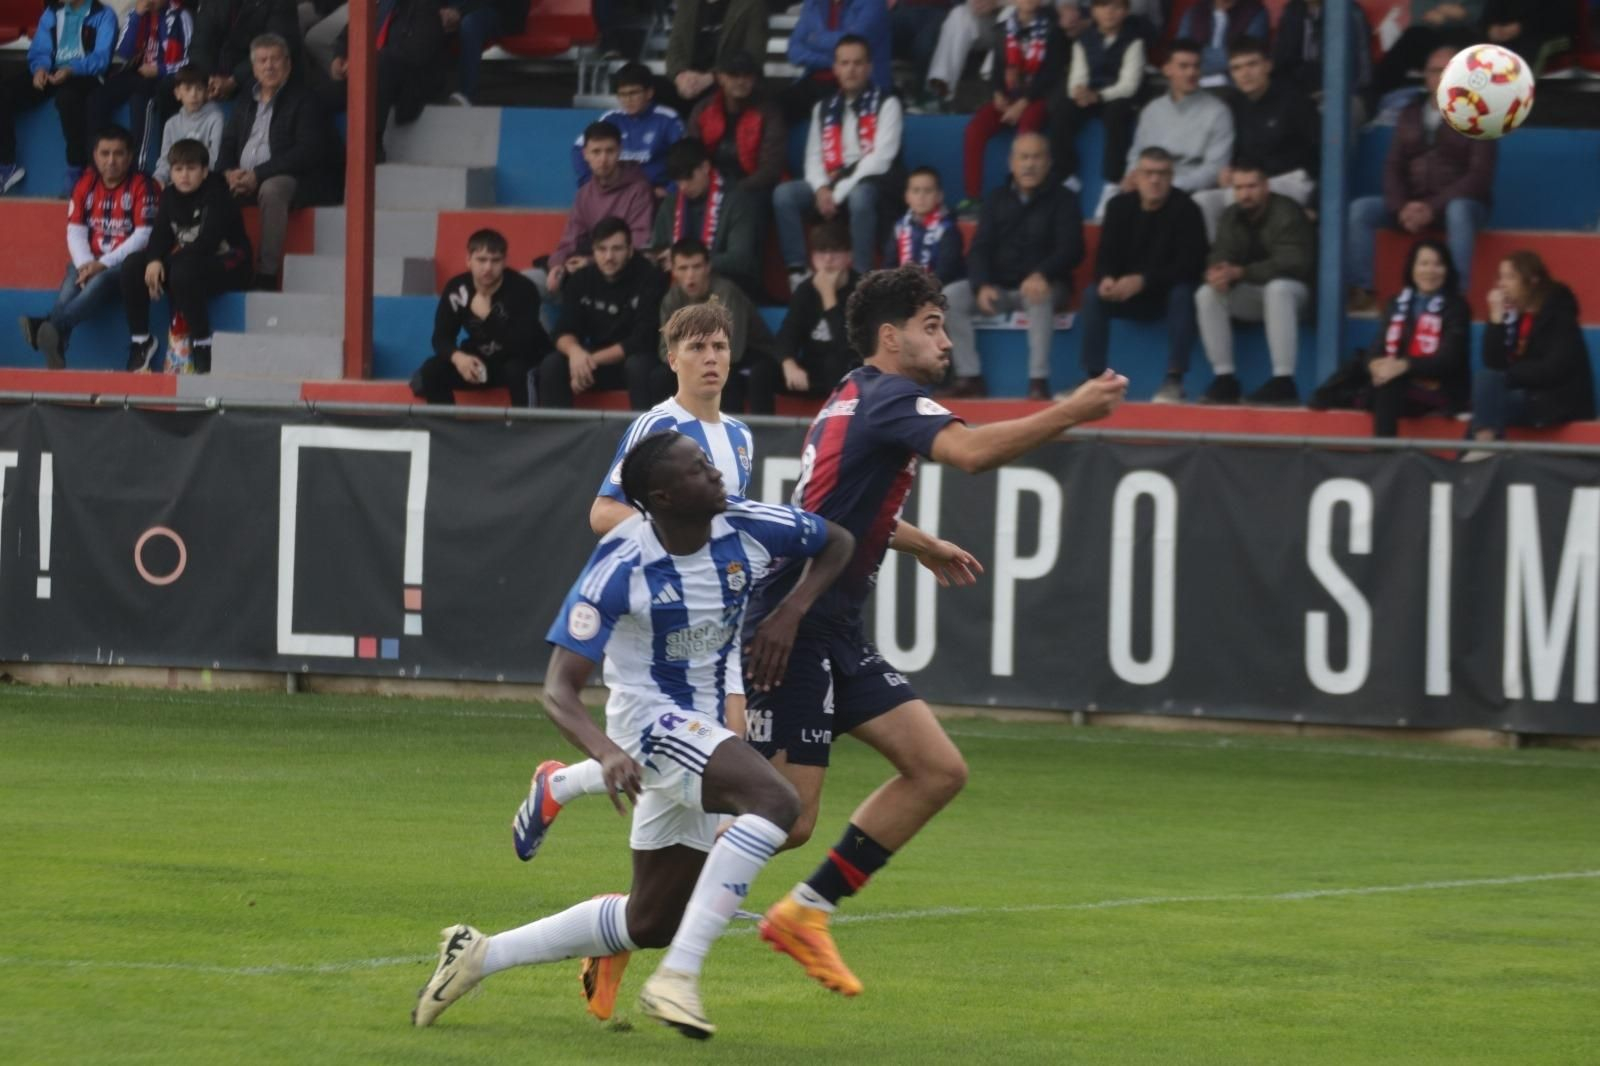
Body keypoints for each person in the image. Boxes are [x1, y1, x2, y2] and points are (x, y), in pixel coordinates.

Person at [747, 266, 1127, 997]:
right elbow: (973, 454)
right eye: (932, 326)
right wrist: (1072, 409)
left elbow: (835, 509)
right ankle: (632, 915)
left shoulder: (854, 391)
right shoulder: (892, 396)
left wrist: (919, 542)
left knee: (937, 770)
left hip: (831, 627)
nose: (947, 341)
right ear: (891, 338)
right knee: (786, 819)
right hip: (792, 626)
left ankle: (805, 912)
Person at [413, 424, 857, 1040]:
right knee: (778, 802)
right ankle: (678, 978)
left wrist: (791, 611)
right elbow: (559, 689)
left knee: (650, 921)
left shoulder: (749, 523)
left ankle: (480, 953)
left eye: (708, 462)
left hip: (703, 728)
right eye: (697, 468)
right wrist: (605, 751)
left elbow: (837, 540)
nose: (715, 472)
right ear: (663, 498)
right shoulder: (622, 562)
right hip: (650, 723)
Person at [1346, 47, 1495, 309]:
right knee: (1360, 210)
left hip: (1460, 206)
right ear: (1426, 77)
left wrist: (1431, 207)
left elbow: (1479, 176)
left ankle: (1453, 299)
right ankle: (1364, 293)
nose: (1442, 77)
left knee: (1459, 210)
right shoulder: (1410, 114)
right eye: (1435, 71)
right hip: (1412, 203)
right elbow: (1393, 165)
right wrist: (1401, 206)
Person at [943, 132, 1083, 399]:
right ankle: (969, 377)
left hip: (1048, 285)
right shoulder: (996, 199)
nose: (1029, 164)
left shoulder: (1064, 199)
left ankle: (1038, 381)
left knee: (1038, 294)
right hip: (999, 288)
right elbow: (979, 248)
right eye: (1023, 157)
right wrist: (981, 284)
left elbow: (1072, 249)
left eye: (1036, 157)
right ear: (1011, 163)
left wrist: (1042, 273)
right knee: (950, 296)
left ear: (1048, 162)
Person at [17, 126, 157, 369]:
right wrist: (85, 264)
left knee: (99, 280)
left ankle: (49, 326)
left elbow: (144, 235)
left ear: (129, 157)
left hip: (127, 264)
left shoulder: (143, 184)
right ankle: (57, 340)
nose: (111, 161)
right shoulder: (85, 183)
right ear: (95, 155)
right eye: (105, 153)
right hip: (90, 260)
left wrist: (102, 264)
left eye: (118, 154)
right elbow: (75, 230)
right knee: (70, 284)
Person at [774, 35, 904, 285]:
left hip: (873, 183)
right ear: (835, 68)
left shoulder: (888, 103)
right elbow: (813, 157)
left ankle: (861, 277)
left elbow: (880, 160)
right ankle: (798, 273)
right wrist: (821, 188)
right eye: (845, 63)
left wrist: (838, 192)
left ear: (869, 67)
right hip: (831, 183)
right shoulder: (823, 107)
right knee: (784, 194)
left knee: (861, 195)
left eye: (857, 63)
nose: (851, 70)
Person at [1079, 147, 1205, 402]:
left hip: (1166, 295)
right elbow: (1105, 256)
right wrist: (1107, 278)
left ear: (1171, 177)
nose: (1155, 180)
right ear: (1136, 176)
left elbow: (1191, 265)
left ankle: (1174, 380)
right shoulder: (1118, 206)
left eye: (1162, 173)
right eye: (1148, 173)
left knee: (1183, 294)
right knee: (1093, 295)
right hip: (1127, 295)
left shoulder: (1187, 209)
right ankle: (1094, 380)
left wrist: (1144, 280)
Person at [1311, 240, 1470, 437]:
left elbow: (1448, 360)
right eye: (1423, 263)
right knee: (1360, 363)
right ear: (1412, 268)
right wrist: (1375, 366)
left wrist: (1403, 366)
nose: (1430, 270)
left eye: (1438, 264)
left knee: (1386, 386)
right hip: (1397, 381)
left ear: (1447, 270)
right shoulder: (1396, 303)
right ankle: (1348, 399)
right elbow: (1377, 347)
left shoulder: (1457, 307)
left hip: (1437, 388)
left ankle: (1383, 450)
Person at [215, 33, 336, 291]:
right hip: (245, 176)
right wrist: (228, 173)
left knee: (272, 190)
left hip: (294, 179)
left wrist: (258, 174)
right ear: (254, 68)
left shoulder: (305, 99)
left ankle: (266, 274)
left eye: (275, 59)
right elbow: (227, 142)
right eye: (262, 61)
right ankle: (226, 269)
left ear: (288, 64)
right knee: (207, 187)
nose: (269, 66)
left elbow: (307, 151)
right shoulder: (245, 100)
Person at [120, 138, 252, 373]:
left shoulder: (217, 194)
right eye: (178, 169)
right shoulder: (169, 195)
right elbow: (160, 235)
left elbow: (208, 242)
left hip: (229, 264)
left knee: (181, 270)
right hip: (187, 264)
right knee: (133, 264)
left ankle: (202, 343)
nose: (184, 175)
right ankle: (141, 342)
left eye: (191, 169)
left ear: (204, 171)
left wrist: (164, 265)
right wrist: (153, 260)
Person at [1195, 161, 1316, 405]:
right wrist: (1218, 272)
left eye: (1251, 187)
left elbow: (1294, 262)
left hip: (1297, 296)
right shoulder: (1232, 214)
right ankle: (1225, 378)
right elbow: (1221, 252)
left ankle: (1284, 381)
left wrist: (1242, 272)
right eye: (1239, 188)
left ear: (1266, 186)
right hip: (1255, 294)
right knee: (1206, 294)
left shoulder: (1286, 211)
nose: (1245, 194)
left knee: (1277, 289)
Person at [1192, 38, 1319, 240]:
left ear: (1267, 65)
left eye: (1252, 64)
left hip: (1292, 179)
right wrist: (1229, 171)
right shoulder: (1233, 105)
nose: (1245, 73)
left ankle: (1238, 256)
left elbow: (1322, 155)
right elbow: (1235, 153)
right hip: (1250, 181)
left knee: (1237, 197)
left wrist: (1316, 205)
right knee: (1201, 201)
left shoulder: (1295, 101)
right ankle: (1218, 257)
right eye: (1237, 68)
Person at [1466, 252, 1594, 447]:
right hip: (1526, 394)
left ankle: (1480, 451)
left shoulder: (1558, 314)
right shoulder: (1514, 316)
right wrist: (1496, 319)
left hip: (1557, 401)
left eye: (1510, 277)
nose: (1502, 284)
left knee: (1487, 399)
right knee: (1486, 392)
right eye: (1500, 277)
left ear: (1533, 280)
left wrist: (1509, 376)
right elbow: (1494, 364)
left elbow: (1554, 368)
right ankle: (1479, 451)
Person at [411, 228, 551, 407]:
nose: (488, 268)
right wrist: (459, 358)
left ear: (505, 261)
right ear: (468, 260)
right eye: (481, 260)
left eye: (495, 260)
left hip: (523, 358)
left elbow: (523, 343)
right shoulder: (457, 288)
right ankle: (444, 425)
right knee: (432, 370)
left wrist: (488, 316)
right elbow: (441, 337)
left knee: (517, 369)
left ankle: (525, 424)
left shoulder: (522, 288)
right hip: (482, 360)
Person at [539, 217, 667, 410]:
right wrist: (575, 353)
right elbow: (563, 329)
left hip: (632, 360)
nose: (609, 257)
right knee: (552, 364)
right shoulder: (581, 278)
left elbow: (643, 338)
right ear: (593, 251)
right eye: (602, 249)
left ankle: (646, 428)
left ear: (630, 250)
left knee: (638, 365)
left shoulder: (650, 277)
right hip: (594, 361)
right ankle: (556, 429)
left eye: (617, 249)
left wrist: (588, 361)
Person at [0, 0, 119, 195]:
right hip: (53, 71)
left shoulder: (104, 15)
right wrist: (39, 69)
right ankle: (7, 165)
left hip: (85, 74)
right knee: (4, 93)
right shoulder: (52, 13)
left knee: (67, 99)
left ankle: (76, 168)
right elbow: (40, 50)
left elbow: (101, 58)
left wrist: (72, 69)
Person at [652, 238, 777, 413]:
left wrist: (691, 361)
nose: (690, 275)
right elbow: (665, 349)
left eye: (696, 267)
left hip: (751, 355)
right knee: (660, 377)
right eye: (683, 268)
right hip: (698, 359)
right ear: (673, 270)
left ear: (708, 267)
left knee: (723, 379)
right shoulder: (671, 299)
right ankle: (663, 427)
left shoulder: (726, 293)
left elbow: (732, 351)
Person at [959, 0, 1064, 207]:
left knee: (1026, 130)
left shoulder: (1053, 31)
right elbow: (998, 69)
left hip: (1038, 98)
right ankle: (972, 196)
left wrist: (1023, 103)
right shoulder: (1003, 29)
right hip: (1009, 98)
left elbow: (1050, 76)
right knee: (974, 130)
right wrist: (997, 93)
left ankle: (1021, 192)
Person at [748, 221, 860, 413]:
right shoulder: (806, 290)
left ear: (849, 256)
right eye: (821, 252)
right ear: (813, 258)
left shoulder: (860, 290)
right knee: (761, 372)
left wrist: (828, 297)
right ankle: (762, 432)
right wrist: (789, 363)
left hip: (847, 369)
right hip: (811, 371)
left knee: (839, 365)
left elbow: (847, 346)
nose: (828, 259)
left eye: (835, 252)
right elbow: (786, 336)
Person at [541, 121, 656, 299]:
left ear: (619, 151)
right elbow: (570, 240)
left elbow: (638, 244)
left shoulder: (639, 190)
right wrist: (557, 265)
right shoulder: (584, 193)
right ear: (585, 154)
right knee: (532, 282)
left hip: (623, 273)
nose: (603, 159)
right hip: (584, 270)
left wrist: (591, 262)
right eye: (596, 152)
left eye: (609, 151)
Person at [1047, 0, 1144, 200]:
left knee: (1118, 115)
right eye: (1103, 6)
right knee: (1061, 110)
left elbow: (1128, 85)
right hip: (1090, 95)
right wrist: (1079, 92)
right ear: (1093, 11)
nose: (1110, 12)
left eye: (1117, 7)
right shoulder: (1083, 41)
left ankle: (1112, 182)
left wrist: (1099, 96)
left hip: (1117, 97)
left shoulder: (1134, 42)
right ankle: (1065, 174)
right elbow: (1077, 77)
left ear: (1126, 12)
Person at [651, 139, 763, 299]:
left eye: (689, 177)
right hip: (678, 289)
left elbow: (740, 259)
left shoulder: (737, 201)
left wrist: (691, 264)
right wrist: (663, 257)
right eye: (678, 181)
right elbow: (657, 248)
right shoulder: (671, 203)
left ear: (705, 167)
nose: (683, 186)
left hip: (726, 288)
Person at [95, 0, 194, 177]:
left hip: (166, 75)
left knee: (141, 97)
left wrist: (160, 69)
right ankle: (95, 166)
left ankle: (136, 168)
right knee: (98, 97)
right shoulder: (136, 13)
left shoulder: (181, 15)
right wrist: (136, 16)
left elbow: (190, 60)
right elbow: (123, 52)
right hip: (139, 72)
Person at [329, 0, 449, 146]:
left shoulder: (426, 6)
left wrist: (364, 61)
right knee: (317, 97)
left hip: (407, 86)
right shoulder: (380, 4)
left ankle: (373, 144)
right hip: (367, 76)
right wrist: (339, 57)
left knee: (384, 64)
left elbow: (415, 53)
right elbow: (348, 33)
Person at [571, 63, 683, 194]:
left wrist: (670, 190)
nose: (628, 100)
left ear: (649, 93)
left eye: (633, 93)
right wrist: (589, 183)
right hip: (617, 193)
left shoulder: (668, 119)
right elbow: (579, 148)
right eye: (622, 95)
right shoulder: (611, 118)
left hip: (654, 194)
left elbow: (683, 157)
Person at [686, 51, 786, 198]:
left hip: (755, 189)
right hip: (711, 188)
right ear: (720, 78)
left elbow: (771, 168)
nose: (741, 81)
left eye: (747, 75)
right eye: (734, 75)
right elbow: (692, 157)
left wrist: (733, 191)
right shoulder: (703, 109)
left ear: (754, 79)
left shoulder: (769, 111)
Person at [785, 0, 893, 122]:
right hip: (815, 81)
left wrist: (814, 39)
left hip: (856, 83)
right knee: (777, 108)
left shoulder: (872, 3)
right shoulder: (813, 3)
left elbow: (854, 44)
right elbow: (794, 51)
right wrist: (832, 61)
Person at [664, 0, 769, 112]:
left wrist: (712, 77)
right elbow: (675, 48)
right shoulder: (687, 3)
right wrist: (680, 76)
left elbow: (754, 55)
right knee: (660, 94)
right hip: (690, 81)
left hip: (730, 79)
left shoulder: (752, 4)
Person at [190, 0, 301, 101]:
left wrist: (234, 80)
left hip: (258, 85)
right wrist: (208, 79)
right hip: (215, 85)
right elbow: (200, 43)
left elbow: (277, 48)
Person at [1272, 0, 1373, 104]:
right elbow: (1281, 60)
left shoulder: (1349, 12)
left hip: (1341, 94)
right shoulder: (1292, 11)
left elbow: (1362, 74)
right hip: (1299, 91)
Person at [1374, 2, 1481, 99]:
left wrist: (1459, 16)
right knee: (1415, 34)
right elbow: (1423, 15)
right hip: (1425, 37)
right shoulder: (1416, 35)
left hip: (1466, 38)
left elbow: (1480, 15)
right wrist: (1450, 15)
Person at [883, 165, 965, 285]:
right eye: (916, 191)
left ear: (939, 196)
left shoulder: (947, 228)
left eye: (928, 191)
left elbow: (946, 271)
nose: (921, 197)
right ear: (907, 197)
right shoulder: (899, 227)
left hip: (940, 289)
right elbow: (890, 265)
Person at [444, 0, 533, 105]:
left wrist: (459, 11)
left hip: (503, 12)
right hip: (465, 9)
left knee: (470, 24)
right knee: (433, 17)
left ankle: (465, 95)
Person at [153, 68, 225, 187]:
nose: (193, 94)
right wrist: (158, 179)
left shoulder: (215, 119)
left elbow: (215, 158)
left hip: (205, 181)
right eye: (187, 89)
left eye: (199, 89)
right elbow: (165, 159)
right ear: (177, 93)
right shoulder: (171, 124)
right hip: (177, 182)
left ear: (206, 92)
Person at [1178, 0, 1268, 84]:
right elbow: (1180, 54)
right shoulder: (1194, 12)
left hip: (1233, 84)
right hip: (1192, 81)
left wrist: (1196, 60)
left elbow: (1245, 55)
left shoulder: (1254, 12)